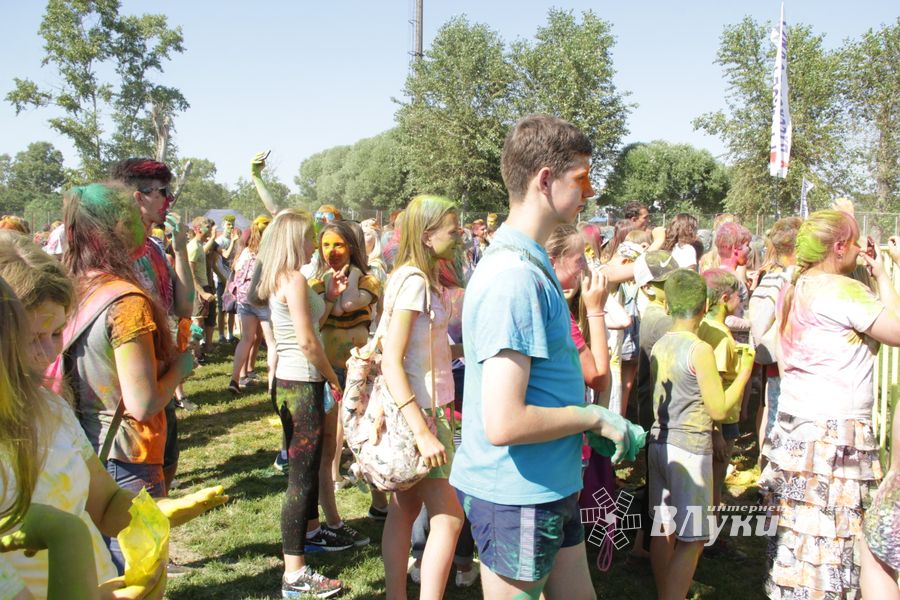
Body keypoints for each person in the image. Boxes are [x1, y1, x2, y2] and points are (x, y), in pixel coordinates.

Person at [450, 115, 629, 600]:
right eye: (582, 178)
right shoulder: (515, 277)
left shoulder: (528, 262)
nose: (590, 191)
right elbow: (504, 422)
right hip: (518, 495)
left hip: (547, 485)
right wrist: (594, 417)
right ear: (545, 180)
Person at [0, 233, 227, 599]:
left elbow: (104, 503)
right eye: (32, 337)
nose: (48, 352)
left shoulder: (51, 408)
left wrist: (155, 513)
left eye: (56, 333)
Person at [760, 212, 900, 599]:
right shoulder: (843, 290)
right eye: (854, 242)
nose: (859, 249)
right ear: (839, 247)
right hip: (834, 433)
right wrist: (884, 277)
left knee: (798, 536)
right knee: (834, 539)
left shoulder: (794, 285)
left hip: (794, 428)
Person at [62, 183, 195, 574]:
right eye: (134, 217)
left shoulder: (76, 285)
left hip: (85, 449)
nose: (145, 223)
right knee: (138, 574)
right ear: (116, 228)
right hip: (126, 459)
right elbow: (142, 403)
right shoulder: (126, 303)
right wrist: (182, 368)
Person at [254, 209, 347, 599]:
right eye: (309, 237)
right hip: (301, 384)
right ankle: (294, 575)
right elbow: (308, 342)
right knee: (301, 479)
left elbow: (311, 323)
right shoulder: (292, 279)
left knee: (303, 472)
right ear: (294, 239)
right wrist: (332, 378)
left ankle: (309, 535)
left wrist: (329, 298)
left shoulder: (286, 278)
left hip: (290, 383)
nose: (314, 244)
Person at [647, 269, 754, 600]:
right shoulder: (700, 350)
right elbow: (718, 409)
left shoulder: (660, 344)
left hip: (659, 444)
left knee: (663, 528)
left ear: (668, 306)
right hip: (690, 449)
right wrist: (744, 373)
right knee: (692, 539)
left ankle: (664, 592)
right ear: (706, 305)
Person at [380, 195, 464, 600]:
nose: (459, 234)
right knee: (449, 517)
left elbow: (421, 349)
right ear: (428, 236)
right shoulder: (414, 282)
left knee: (405, 509)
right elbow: (392, 361)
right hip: (423, 414)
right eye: (452, 229)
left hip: (423, 409)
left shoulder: (412, 276)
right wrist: (423, 432)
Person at [698, 268, 751, 558]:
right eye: (738, 296)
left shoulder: (706, 325)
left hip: (716, 420)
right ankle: (711, 540)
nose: (741, 302)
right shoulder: (719, 334)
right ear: (724, 298)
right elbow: (714, 386)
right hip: (722, 421)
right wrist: (716, 432)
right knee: (715, 485)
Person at [229, 215, 275, 395]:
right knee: (271, 342)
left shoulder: (246, 252)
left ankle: (235, 378)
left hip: (244, 299)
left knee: (246, 338)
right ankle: (272, 385)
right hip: (263, 299)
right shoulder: (270, 252)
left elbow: (236, 271)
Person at [186, 216, 217, 363]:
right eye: (207, 227)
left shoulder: (199, 245)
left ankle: (198, 353)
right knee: (196, 323)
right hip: (197, 289)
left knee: (200, 322)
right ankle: (194, 356)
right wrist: (202, 292)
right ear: (198, 229)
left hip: (203, 286)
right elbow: (190, 273)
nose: (210, 229)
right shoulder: (193, 246)